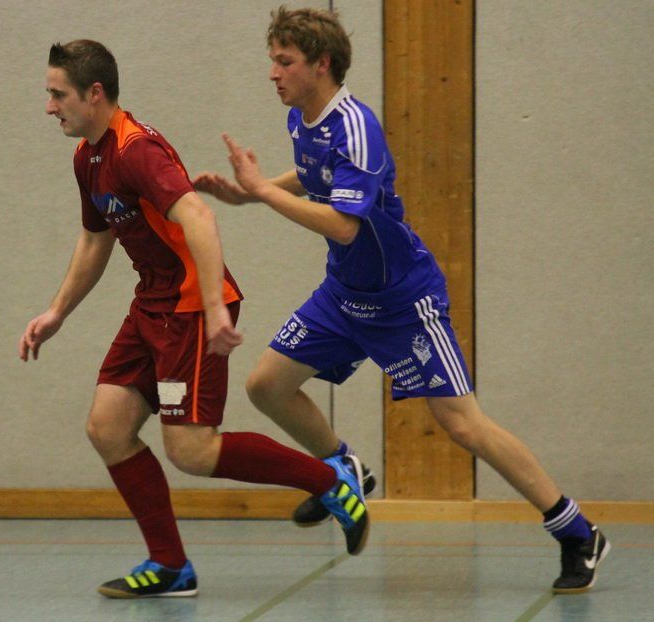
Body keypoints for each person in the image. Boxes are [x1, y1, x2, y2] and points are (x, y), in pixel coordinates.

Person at [193, 6, 609, 595]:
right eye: (273, 61)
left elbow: (344, 225)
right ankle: (345, 467)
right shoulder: (303, 119)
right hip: (344, 294)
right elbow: (315, 174)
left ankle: (577, 532)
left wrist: (262, 190)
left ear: (322, 64)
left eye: (285, 62)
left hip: (402, 300)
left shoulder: (357, 126)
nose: (273, 73)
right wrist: (251, 194)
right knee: (266, 386)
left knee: (462, 424)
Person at [19, 39, 371, 600]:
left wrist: (211, 306)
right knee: (108, 428)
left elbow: (200, 217)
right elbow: (95, 238)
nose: (49, 106)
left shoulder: (137, 150)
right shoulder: (88, 156)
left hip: (188, 310)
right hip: (152, 306)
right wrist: (57, 310)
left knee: (192, 450)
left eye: (58, 94)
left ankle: (332, 480)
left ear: (94, 93)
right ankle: (170, 566)